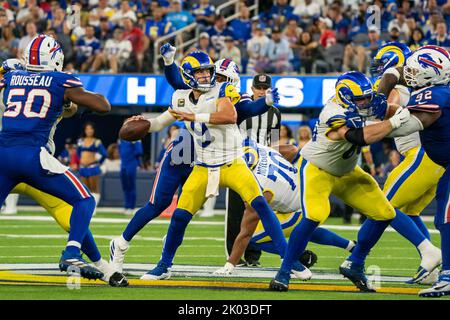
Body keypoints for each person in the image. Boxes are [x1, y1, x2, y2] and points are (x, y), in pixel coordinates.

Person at [109, 46, 283, 278]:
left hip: (219, 160)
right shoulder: (188, 94)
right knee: (161, 205)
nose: (211, 79)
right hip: (185, 153)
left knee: (251, 205)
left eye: (218, 77)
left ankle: (279, 258)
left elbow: (245, 110)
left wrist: (265, 103)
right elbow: (178, 88)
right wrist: (169, 64)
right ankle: (123, 245)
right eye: (210, 75)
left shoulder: (227, 95)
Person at [0, 36, 127, 285]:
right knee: (83, 200)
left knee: (68, 214)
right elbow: (102, 105)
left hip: (3, 156)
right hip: (33, 159)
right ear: (55, 58)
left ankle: (104, 268)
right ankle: (71, 253)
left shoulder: (12, 77)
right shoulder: (60, 80)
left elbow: (58, 107)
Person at [269, 71, 411, 293]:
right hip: (318, 170)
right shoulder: (332, 112)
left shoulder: (361, 103)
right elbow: (358, 137)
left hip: (347, 171)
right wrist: (393, 123)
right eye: (359, 99)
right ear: (344, 97)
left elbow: (384, 106)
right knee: (314, 216)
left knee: (384, 213)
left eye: (366, 97)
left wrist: (399, 110)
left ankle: (355, 263)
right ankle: (284, 271)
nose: (365, 102)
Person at [214, 140, 356, 276]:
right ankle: (351, 246)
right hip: (312, 195)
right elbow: (292, 149)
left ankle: (295, 258)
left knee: (255, 236)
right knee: (305, 231)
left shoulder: (259, 187)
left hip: (300, 209)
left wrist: (230, 265)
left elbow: (246, 233)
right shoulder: (258, 147)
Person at [374, 45, 450, 297]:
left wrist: (362, 130)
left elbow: (396, 118)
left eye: (415, 70)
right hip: (439, 161)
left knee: (383, 205)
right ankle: (436, 265)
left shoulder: (429, 94)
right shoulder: (432, 90)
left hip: (424, 158)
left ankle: (356, 259)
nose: (410, 72)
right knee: (437, 216)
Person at [77, 122, 107, 214]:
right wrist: (81, 161)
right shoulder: (80, 141)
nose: (89, 131)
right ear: (85, 130)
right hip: (83, 168)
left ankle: (93, 208)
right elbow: (78, 153)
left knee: (94, 188)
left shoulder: (97, 142)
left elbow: (104, 154)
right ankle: (87, 207)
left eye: (91, 129)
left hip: (92, 167)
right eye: (87, 129)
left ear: (93, 130)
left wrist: (98, 163)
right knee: (85, 189)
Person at [118, 138, 143, 215]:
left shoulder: (136, 139)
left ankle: (131, 207)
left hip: (131, 164)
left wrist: (135, 143)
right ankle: (126, 206)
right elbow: (120, 151)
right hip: (123, 164)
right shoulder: (121, 140)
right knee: (125, 187)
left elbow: (139, 151)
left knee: (131, 186)